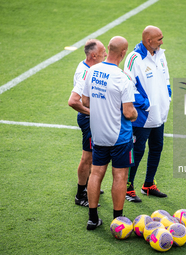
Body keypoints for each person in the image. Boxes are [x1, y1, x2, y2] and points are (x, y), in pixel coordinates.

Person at [82, 36, 137, 230]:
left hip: (98, 134)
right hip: (119, 136)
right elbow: (129, 112)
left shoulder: (92, 71)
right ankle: (118, 220)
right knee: (120, 176)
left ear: (109, 50)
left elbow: (85, 102)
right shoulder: (123, 78)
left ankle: (92, 218)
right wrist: (136, 113)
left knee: (96, 174)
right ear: (123, 53)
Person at [123, 26, 171, 203]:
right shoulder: (134, 58)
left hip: (160, 114)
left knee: (157, 147)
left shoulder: (160, 54)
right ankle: (128, 187)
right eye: (159, 39)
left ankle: (148, 185)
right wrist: (146, 105)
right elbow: (128, 86)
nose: (162, 41)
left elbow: (166, 78)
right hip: (142, 116)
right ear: (148, 41)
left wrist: (168, 96)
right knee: (137, 151)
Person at [68, 39, 107, 207]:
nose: (106, 54)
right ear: (94, 55)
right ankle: (80, 195)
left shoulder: (88, 67)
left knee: (92, 156)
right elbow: (73, 101)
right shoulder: (85, 73)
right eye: (103, 52)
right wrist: (94, 114)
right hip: (88, 120)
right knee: (87, 157)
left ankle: (90, 186)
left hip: (90, 119)